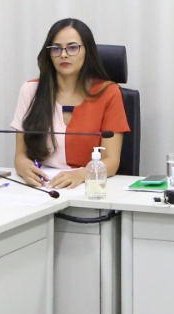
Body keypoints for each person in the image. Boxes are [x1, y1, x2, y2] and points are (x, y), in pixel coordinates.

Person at [12, 18, 129, 190]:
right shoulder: (31, 91)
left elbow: (111, 161)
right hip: (43, 187)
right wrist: (24, 168)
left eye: (73, 47)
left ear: (87, 51)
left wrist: (81, 174)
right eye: (56, 49)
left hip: (89, 186)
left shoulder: (109, 93)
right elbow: (20, 156)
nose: (64, 54)